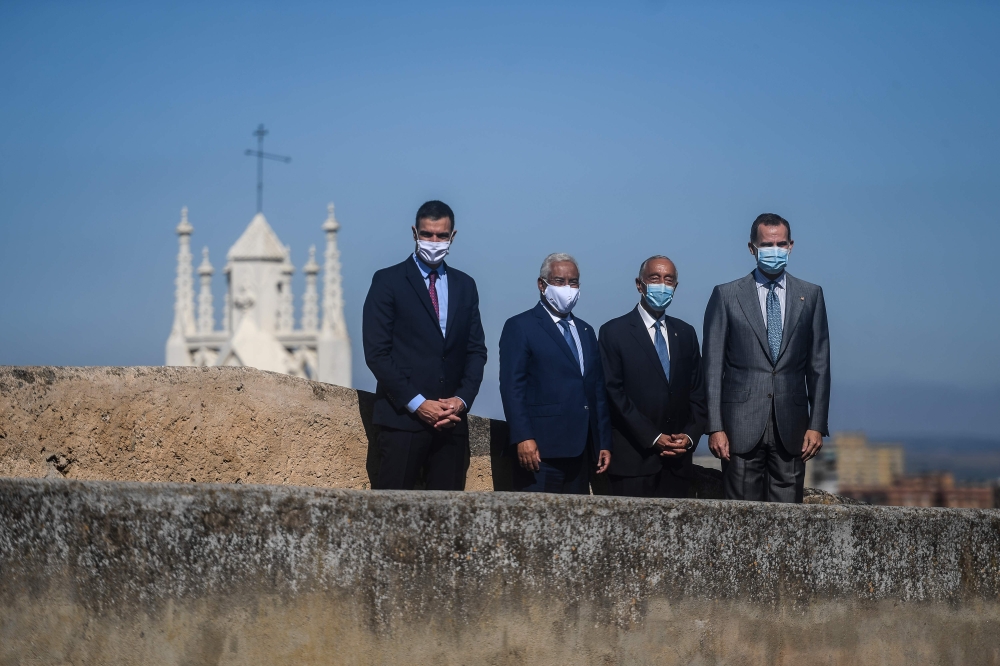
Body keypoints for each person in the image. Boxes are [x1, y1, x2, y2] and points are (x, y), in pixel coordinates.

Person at [702, 213, 830, 503]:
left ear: (791, 246)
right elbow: (712, 366)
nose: (774, 250)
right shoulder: (726, 295)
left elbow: (819, 366)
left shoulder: (811, 296)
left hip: (793, 427)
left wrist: (817, 423)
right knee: (741, 518)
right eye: (766, 244)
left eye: (780, 244)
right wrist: (715, 426)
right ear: (752, 248)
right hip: (739, 427)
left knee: (788, 521)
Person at [362, 200, 487, 490]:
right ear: (414, 233)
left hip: (451, 426)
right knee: (392, 515)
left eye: (441, 236)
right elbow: (377, 353)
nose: (434, 241)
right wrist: (419, 404)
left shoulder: (465, 286)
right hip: (401, 424)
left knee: (447, 521)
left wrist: (462, 400)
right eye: (427, 234)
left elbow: (475, 350)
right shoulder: (388, 281)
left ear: (452, 236)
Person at [499, 253, 612, 494]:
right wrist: (522, 437)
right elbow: (512, 388)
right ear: (542, 285)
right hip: (540, 451)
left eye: (573, 282)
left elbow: (596, 390)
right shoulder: (520, 326)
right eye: (559, 281)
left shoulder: (586, 331)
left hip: (581, 452)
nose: (567, 288)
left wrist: (602, 442)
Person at [598, 255, 707, 498]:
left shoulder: (686, 333)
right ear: (640, 284)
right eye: (655, 278)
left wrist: (689, 437)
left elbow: (698, 392)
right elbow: (613, 393)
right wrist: (653, 437)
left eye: (669, 280)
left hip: (677, 465)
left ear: (675, 287)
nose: (662, 284)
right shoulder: (614, 332)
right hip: (633, 463)